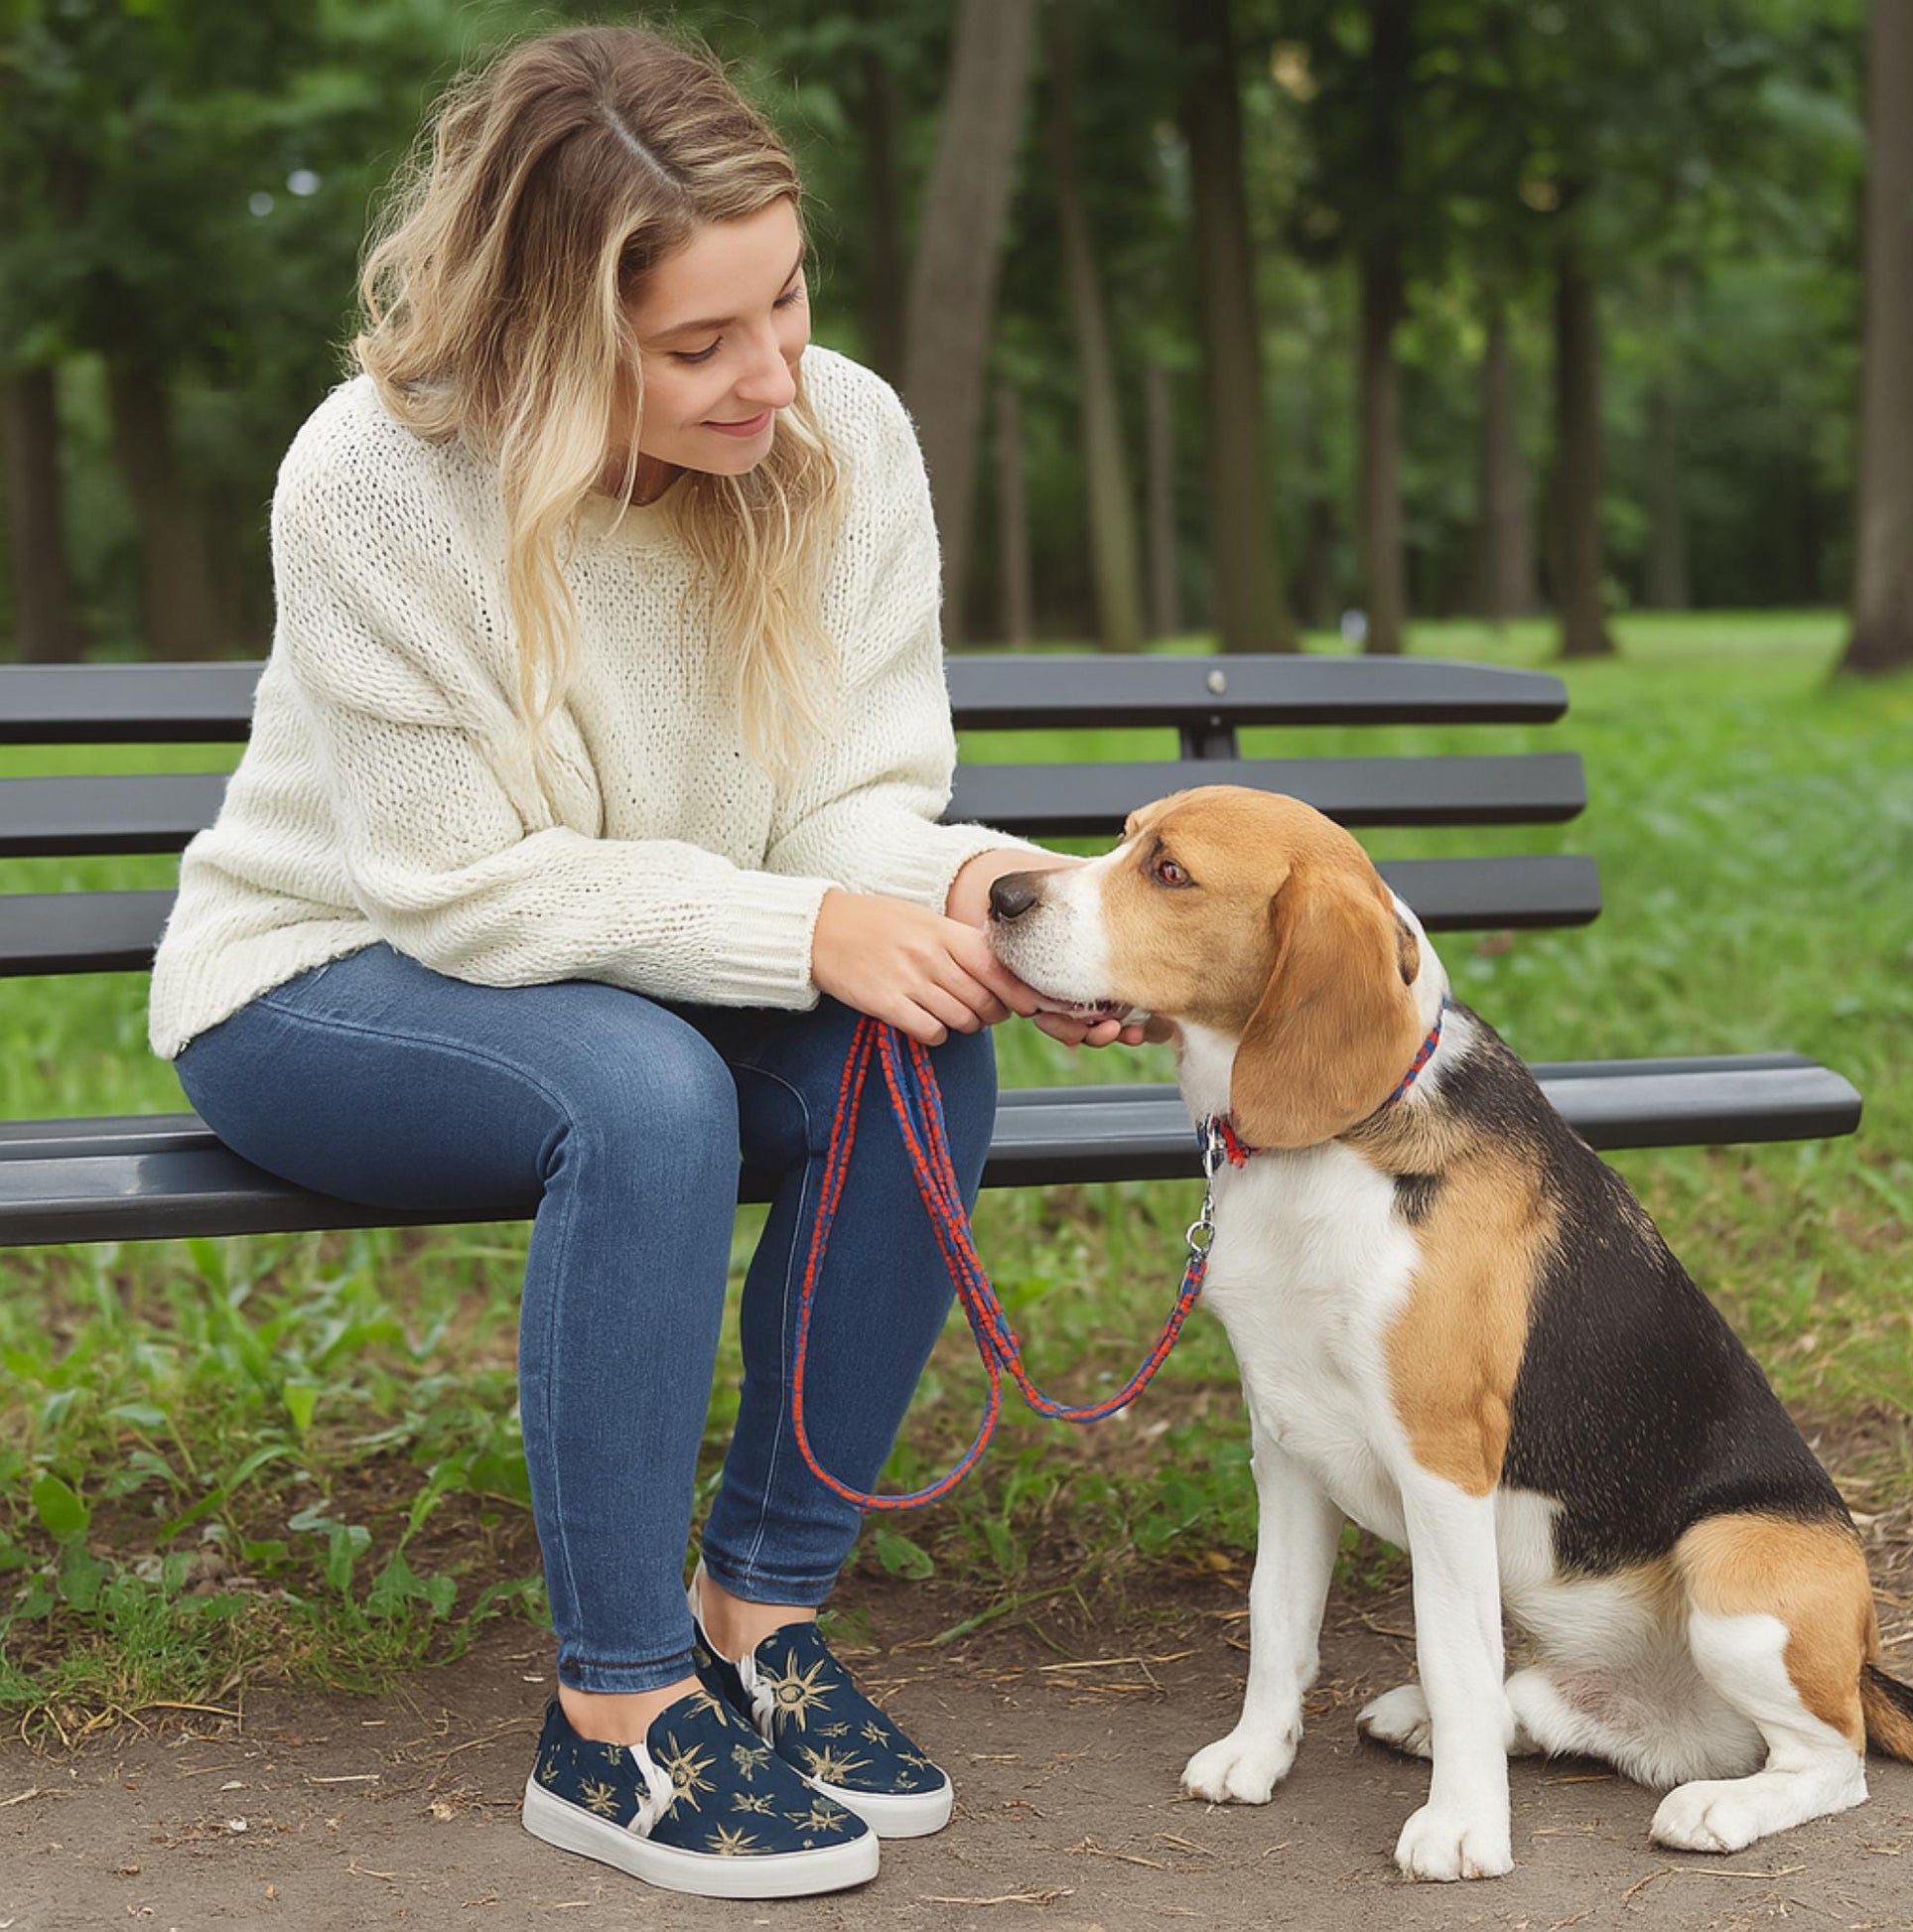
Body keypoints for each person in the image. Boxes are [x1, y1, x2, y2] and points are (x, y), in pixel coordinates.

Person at [146, 21, 1159, 1903]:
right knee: (642, 1088)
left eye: (783, 301)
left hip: (631, 970)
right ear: (543, 334)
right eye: (698, 343)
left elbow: (851, 795)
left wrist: (974, 893)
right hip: (327, 976)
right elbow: (454, 891)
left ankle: (754, 1624)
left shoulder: (838, 433)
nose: (771, 372)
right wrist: (801, 932)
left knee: (910, 1045)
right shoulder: (373, 478)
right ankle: (610, 1719)